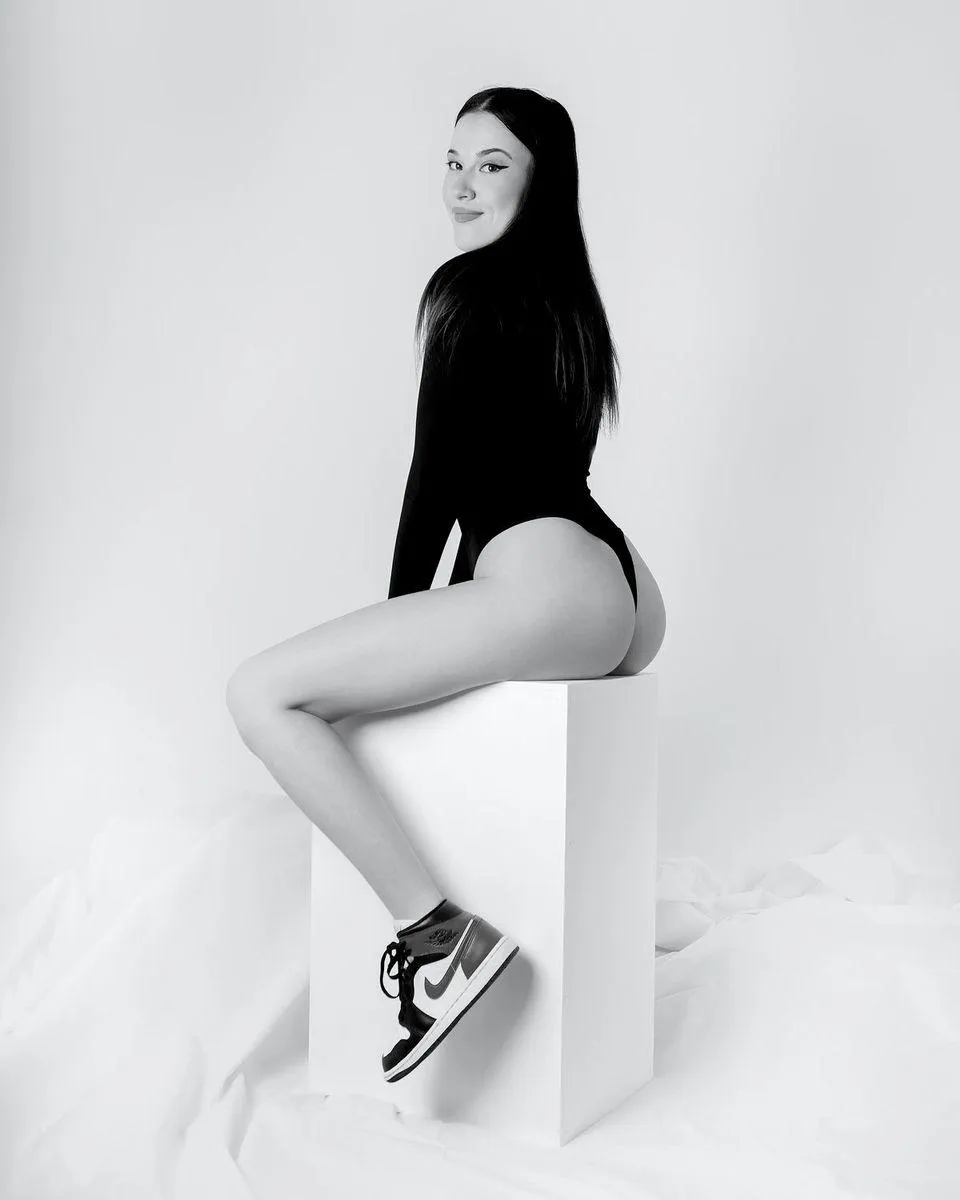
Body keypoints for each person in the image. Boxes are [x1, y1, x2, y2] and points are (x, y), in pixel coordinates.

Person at [226, 87, 667, 1084]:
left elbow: (438, 479)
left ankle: (437, 936)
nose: (463, 186)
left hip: (551, 587)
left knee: (260, 693)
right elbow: (549, 466)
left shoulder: (464, 288)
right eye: (454, 162)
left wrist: (400, 615)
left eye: (494, 164)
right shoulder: (567, 295)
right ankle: (545, 928)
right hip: (627, 597)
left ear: (540, 178)